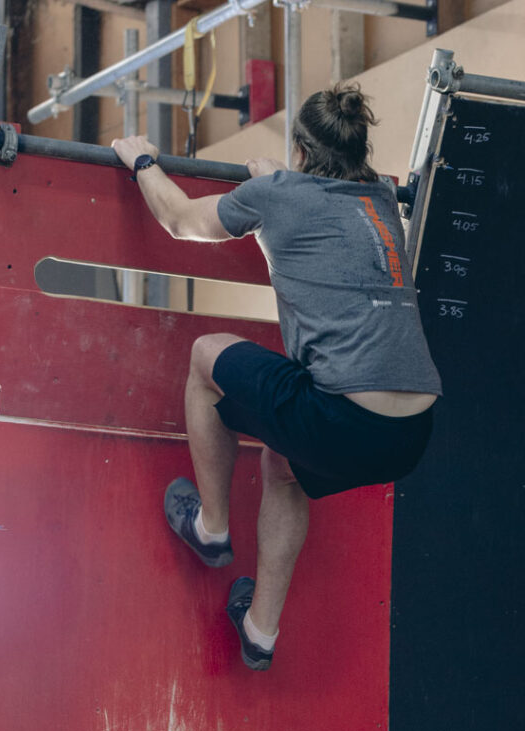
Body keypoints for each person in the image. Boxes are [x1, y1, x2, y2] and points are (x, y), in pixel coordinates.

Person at [112, 83, 441, 671]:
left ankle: (211, 528)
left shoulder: (282, 195)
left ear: (299, 150)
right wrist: (278, 182)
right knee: (282, 465)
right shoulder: (381, 201)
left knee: (205, 356)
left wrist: (140, 159)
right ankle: (259, 632)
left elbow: (179, 220)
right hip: (413, 435)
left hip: (343, 417)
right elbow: (321, 200)